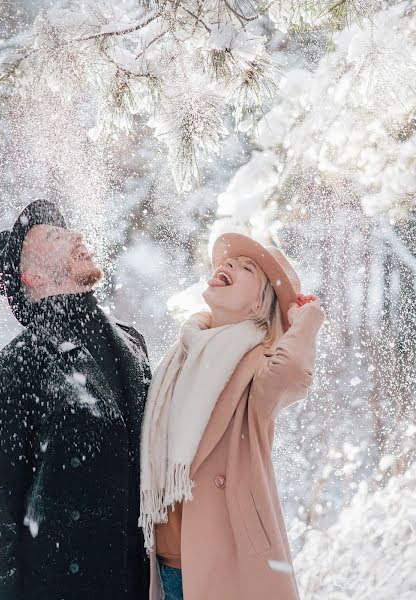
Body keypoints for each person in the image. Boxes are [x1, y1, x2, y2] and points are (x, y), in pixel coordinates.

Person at [0, 199, 150, 600]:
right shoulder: (12, 370)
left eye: (69, 230)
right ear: (31, 276)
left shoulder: (133, 344)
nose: (76, 236)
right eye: (53, 235)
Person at [139, 232, 325, 600]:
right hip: (164, 561)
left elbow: (292, 373)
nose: (227, 266)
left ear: (260, 304)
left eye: (246, 268)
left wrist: (306, 319)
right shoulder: (181, 356)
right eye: (226, 262)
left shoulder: (258, 366)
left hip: (224, 561)